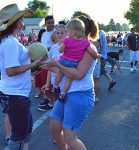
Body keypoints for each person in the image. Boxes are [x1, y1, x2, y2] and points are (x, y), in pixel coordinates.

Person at [42, 15, 99, 150]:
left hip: (80, 95)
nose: (67, 33)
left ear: (77, 29)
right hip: (65, 94)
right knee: (54, 128)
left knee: (70, 137)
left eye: (69, 29)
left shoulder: (88, 48)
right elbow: (63, 68)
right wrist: (45, 65)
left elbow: (78, 74)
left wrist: (57, 65)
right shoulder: (71, 44)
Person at [0, 4, 43, 150]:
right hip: (15, 95)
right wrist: (34, 64)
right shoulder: (11, 43)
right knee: (19, 135)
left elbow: (13, 70)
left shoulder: (11, 40)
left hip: (16, 94)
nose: (24, 22)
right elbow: (11, 71)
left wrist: (32, 72)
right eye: (22, 18)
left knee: (27, 128)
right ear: (17, 21)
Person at [53, 18, 100, 102]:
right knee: (69, 79)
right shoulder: (86, 43)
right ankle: (62, 93)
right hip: (74, 64)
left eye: (67, 31)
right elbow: (93, 53)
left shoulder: (67, 40)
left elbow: (60, 51)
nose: (67, 33)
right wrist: (97, 56)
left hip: (78, 92)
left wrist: (56, 64)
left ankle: (55, 87)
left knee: (60, 73)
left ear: (73, 31)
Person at [37, 15, 56, 111]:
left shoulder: (55, 33)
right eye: (49, 22)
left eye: (52, 22)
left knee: (50, 83)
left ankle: (51, 102)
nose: (51, 24)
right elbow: (42, 45)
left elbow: (57, 46)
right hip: (43, 60)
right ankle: (47, 99)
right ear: (45, 23)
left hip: (50, 61)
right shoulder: (44, 34)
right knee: (44, 82)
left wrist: (43, 49)